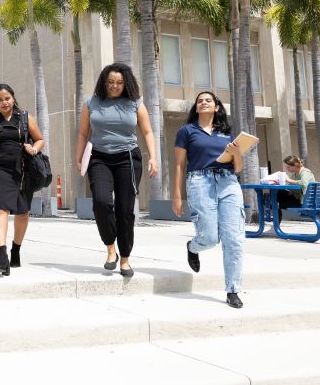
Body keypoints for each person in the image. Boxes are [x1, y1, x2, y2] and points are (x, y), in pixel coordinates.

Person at [75, 63, 158, 277]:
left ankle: (125, 259)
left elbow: (147, 132)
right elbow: (83, 133)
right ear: (104, 82)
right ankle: (110, 247)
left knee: (125, 210)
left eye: (119, 83)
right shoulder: (91, 103)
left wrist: (153, 158)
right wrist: (78, 156)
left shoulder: (135, 103)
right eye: (110, 82)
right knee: (101, 202)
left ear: (126, 83)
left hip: (128, 158)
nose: (114, 86)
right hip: (98, 157)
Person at [173, 91, 245, 308]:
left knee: (234, 239)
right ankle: (193, 247)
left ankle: (233, 289)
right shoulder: (187, 131)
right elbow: (179, 165)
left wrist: (236, 153)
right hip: (200, 182)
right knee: (210, 237)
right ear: (196, 108)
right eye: (200, 101)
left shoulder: (228, 134)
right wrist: (177, 195)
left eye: (209, 100)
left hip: (229, 183)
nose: (204, 102)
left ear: (216, 107)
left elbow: (238, 168)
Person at [0, 83, 45, 276]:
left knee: (22, 212)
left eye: (7, 98)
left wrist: (34, 148)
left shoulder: (24, 118)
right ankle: (1, 256)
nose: (4, 102)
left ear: (13, 98)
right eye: (0, 99)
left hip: (23, 171)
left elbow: (40, 139)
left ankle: (16, 250)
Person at [276, 155, 317, 221]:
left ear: (295, 165)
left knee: (276, 200)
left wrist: (289, 180)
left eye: (288, 167)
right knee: (277, 196)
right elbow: (291, 185)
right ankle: (275, 224)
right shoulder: (295, 174)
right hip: (300, 200)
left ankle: (275, 225)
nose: (287, 168)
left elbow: (304, 183)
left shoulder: (305, 172)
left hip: (305, 202)